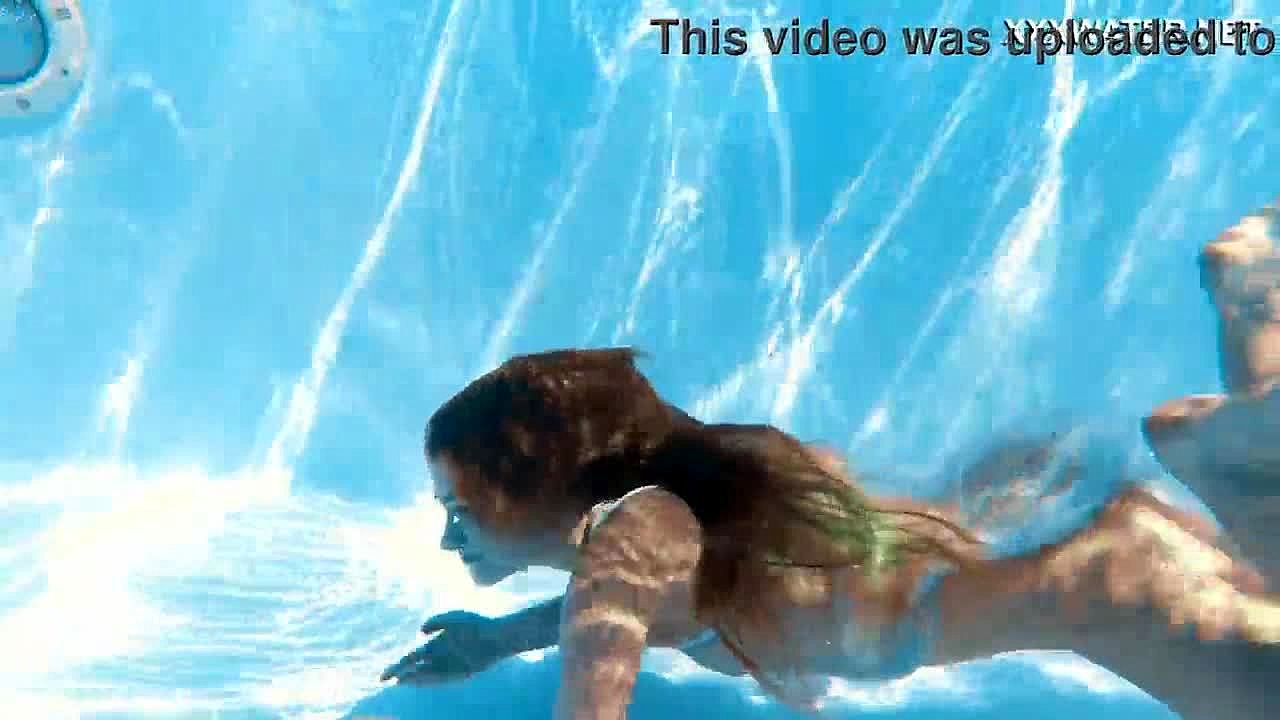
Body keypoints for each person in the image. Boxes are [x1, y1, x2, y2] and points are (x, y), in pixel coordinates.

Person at [380, 202, 1280, 720]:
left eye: (462, 507)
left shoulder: (634, 537)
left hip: (1107, 587)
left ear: (542, 490)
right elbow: (632, 602)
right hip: (1066, 539)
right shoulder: (677, 518)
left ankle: (1230, 430)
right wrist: (497, 638)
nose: (450, 534)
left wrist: (535, 644)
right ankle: (1253, 323)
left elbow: (598, 667)